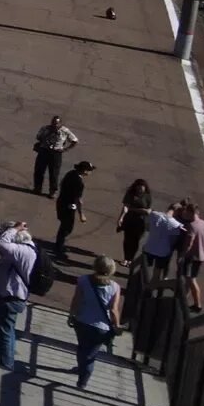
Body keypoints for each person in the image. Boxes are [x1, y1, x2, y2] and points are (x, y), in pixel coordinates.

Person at [0, 221, 37, 370]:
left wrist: (14, 229)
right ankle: (1, 358)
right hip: (15, 297)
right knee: (6, 330)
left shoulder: (20, 251)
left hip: (10, 298)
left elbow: (1, 243)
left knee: (4, 333)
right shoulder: (30, 249)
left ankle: (5, 364)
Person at [68, 255, 122, 390]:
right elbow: (114, 310)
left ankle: (81, 369)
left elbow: (76, 300)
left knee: (82, 348)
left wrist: (71, 315)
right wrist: (117, 325)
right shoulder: (115, 287)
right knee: (90, 354)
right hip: (101, 327)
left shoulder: (83, 280)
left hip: (82, 321)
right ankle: (82, 381)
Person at [55, 160, 94, 257]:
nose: (90, 172)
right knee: (67, 228)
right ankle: (59, 248)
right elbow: (78, 200)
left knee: (64, 225)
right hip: (69, 206)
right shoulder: (79, 183)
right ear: (85, 171)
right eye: (90, 170)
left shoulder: (70, 173)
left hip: (61, 202)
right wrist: (81, 215)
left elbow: (61, 183)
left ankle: (59, 244)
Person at [33, 116, 79, 196]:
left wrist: (65, 149)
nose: (54, 125)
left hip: (56, 153)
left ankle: (52, 191)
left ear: (60, 123)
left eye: (57, 123)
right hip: (44, 151)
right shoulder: (45, 128)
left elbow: (75, 141)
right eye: (53, 122)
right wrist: (44, 138)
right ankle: (37, 188)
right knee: (39, 170)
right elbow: (38, 137)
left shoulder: (65, 131)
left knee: (54, 173)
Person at [142, 202, 187, 277]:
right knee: (156, 274)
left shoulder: (154, 214)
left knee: (144, 270)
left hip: (149, 248)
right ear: (177, 211)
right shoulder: (176, 224)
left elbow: (147, 227)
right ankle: (153, 283)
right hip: (163, 252)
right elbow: (172, 241)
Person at [119, 178, 154, 264]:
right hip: (129, 220)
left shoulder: (147, 196)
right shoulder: (130, 194)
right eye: (138, 188)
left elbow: (149, 210)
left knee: (136, 241)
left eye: (142, 188)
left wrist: (133, 209)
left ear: (145, 188)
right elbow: (125, 207)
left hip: (141, 222)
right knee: (127, 239)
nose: (140, 190)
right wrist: (121, 218)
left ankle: (131, 259)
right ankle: (126, 258)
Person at [182, 202, 204, 308]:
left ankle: (197, 304)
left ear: (191, 212)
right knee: (191, 279)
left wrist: (182, 256)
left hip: (191, 257)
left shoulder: (192, 226)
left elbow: (189, 244)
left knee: (190, 280)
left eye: (186, 212)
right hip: (200, 256)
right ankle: (184, 300)